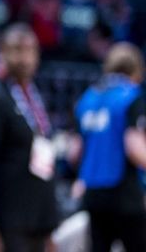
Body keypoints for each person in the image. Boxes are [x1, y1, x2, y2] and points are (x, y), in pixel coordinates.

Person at [0, 22, 59, 252]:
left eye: (30, 50)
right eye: (17, 49)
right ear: (3, 52)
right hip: (5, 224)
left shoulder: (32, 94)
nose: (25, 58)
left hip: (33, 222)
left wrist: (48, 226)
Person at [75, 42, 146, 252]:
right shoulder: (132, 96)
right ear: (136, 69)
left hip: (93, 194)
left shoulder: (88, 98)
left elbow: (75, 151)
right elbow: (134, 146)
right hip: (125, 193)